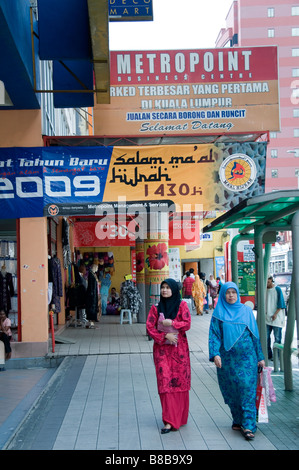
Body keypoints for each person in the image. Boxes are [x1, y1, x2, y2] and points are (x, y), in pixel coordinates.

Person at [209, 282, 265, 441]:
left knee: (247, 389)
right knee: (231, 390)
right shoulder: (218, 313)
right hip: (227, 360)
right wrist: (215, 354)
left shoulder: (246, 311)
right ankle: (238, 419)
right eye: (228, 292)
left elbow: (255, 335)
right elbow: (214, 335)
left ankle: (248, 425)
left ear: (237, 294)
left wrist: (260, 357)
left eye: (234, 292)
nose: (231, 295)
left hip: (247, 359)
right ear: (223, 295)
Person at [146, 278, 191, 434]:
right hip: (162, 351)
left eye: (167, 287)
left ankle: (179, 416)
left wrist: (172, 323)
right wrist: (165, 336)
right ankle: (169, 421)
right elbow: (150, 327)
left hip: (180, 350)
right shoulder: (156, 308)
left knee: (179, 383)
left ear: (174, 289)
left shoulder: (182, 305)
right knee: (165, 384)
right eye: (162, 287)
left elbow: (187, 323)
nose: (164, 290)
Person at [266, 275, 286, 360]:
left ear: (271, 280)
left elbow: (281, 304)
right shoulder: (264, 290)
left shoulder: (277, 289)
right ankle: (268, 354)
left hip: (276, 317)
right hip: (267, 318)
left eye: (268, 281)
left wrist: (275, 314)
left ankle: (277, 356)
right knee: (266, 337)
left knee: (277, 338)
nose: (267, 283)